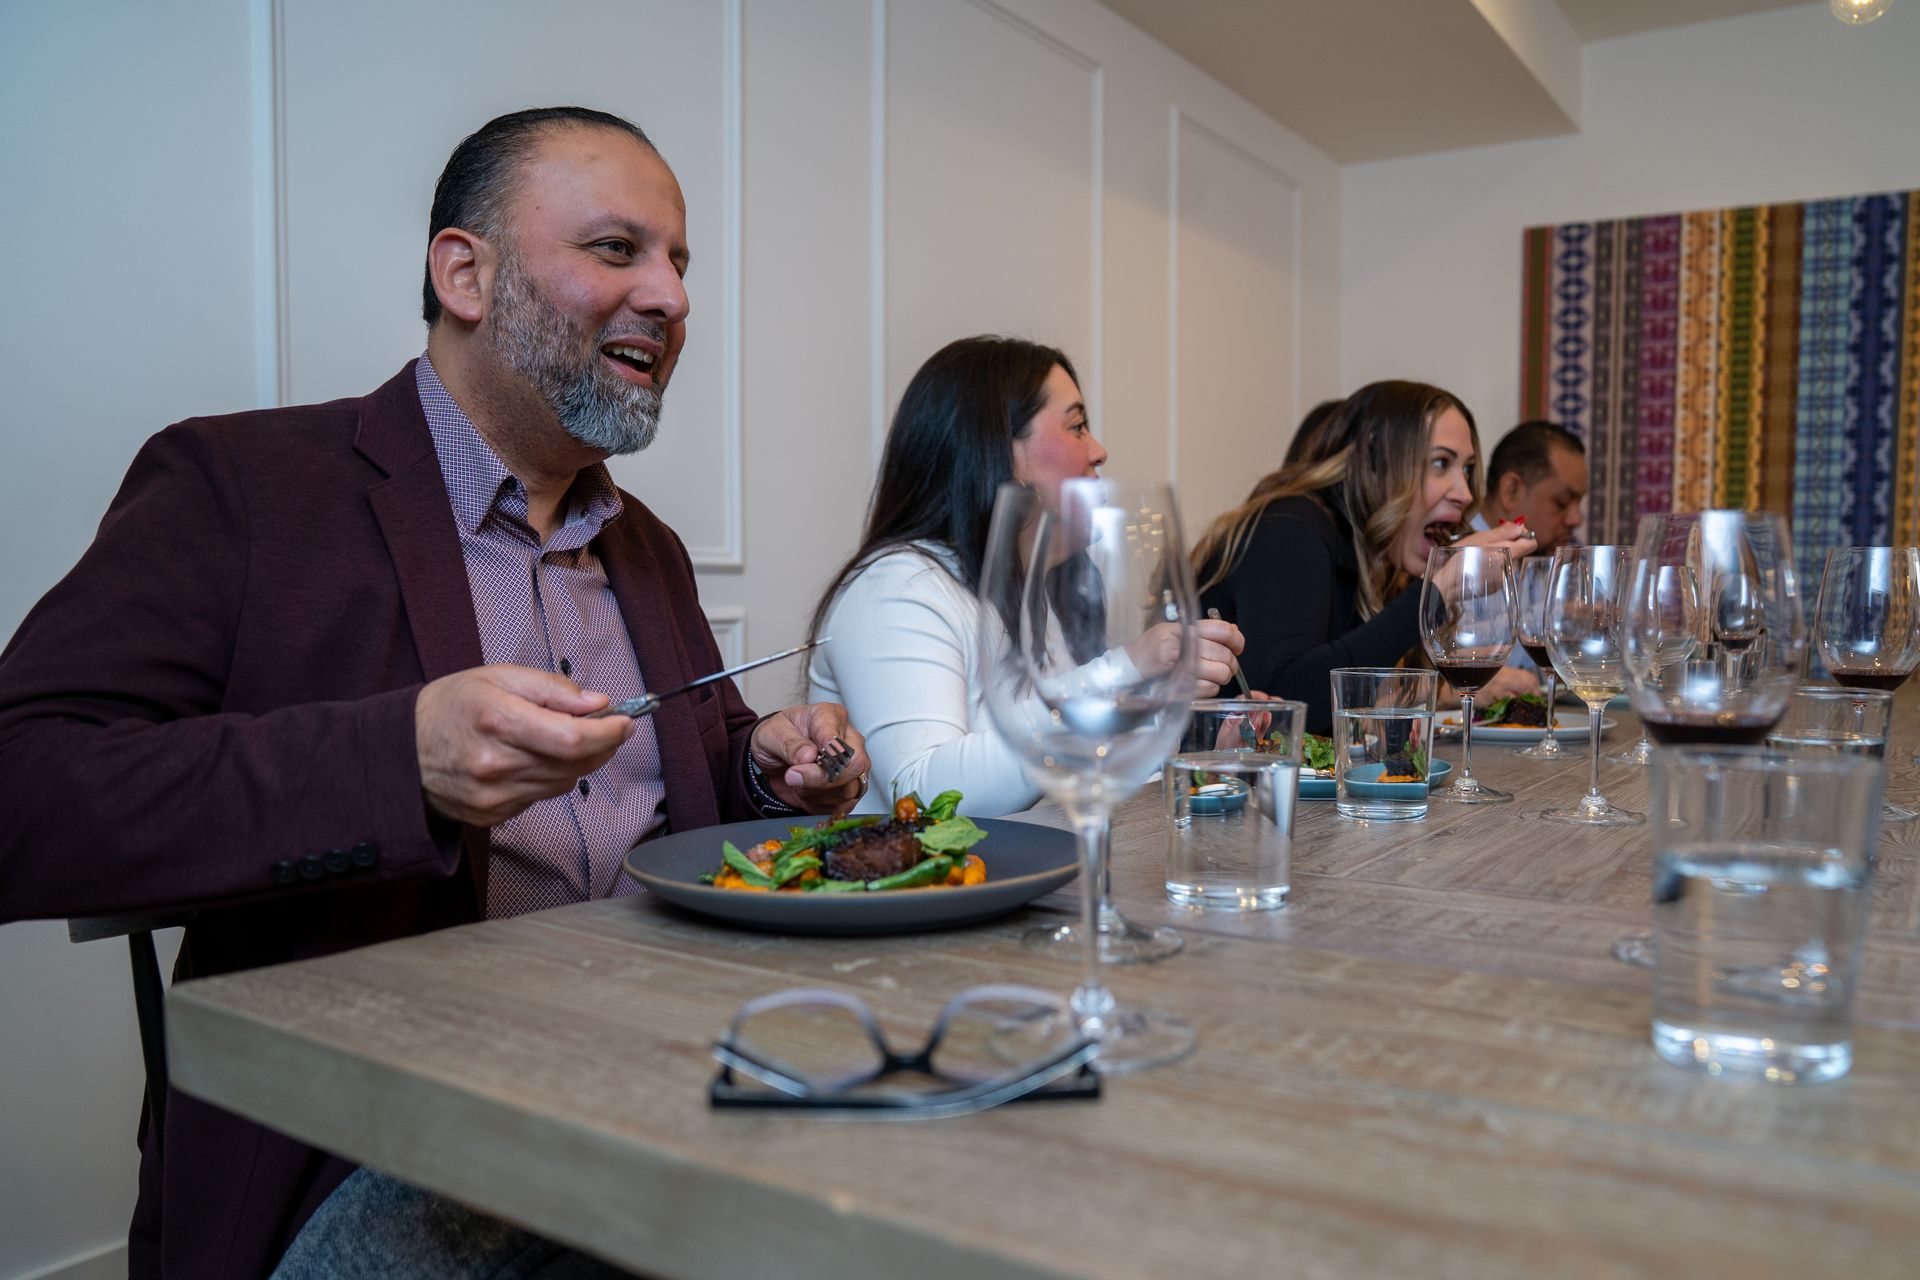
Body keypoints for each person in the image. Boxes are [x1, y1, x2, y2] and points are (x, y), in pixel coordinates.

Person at [0, 107, 867, 1280]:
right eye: (618, 250)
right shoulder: (242, 488)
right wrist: (398, 757)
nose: (671, 296)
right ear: (465, 272)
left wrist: (768, 762)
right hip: (396, 1141)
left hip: (678, 1081)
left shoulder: (643, 545)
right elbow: (25, 790)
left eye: (680, 262)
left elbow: (691, 765)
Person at [804, 335, 1246, 815]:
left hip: (1028, 880)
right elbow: (922, 795)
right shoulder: (898, 587)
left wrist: (1193, 735)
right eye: (1077, 426)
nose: (1098, 450)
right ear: (996, 451)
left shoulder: (1028, 590)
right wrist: (1126, 669)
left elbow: (1070, 769)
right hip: (923, 886)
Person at [1193, 381, 1538, 731]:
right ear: (1375, 464)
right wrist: (1436, 588)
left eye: (1466, 469)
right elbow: (1283, 707)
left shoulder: (1377, 554)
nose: (1465, 494)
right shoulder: (1292, 525)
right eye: (1439, 463)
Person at [1473, 420, 1588, 554]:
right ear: (1511, 490)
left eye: (1579, 501)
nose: (1576, 519)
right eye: (1561, 502)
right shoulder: (1458, 563)